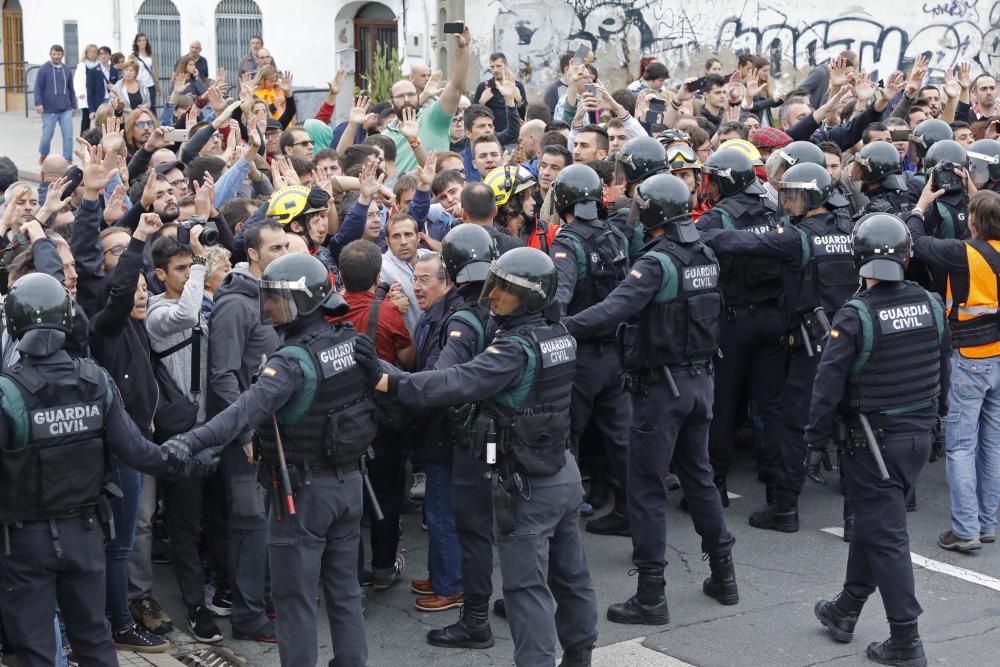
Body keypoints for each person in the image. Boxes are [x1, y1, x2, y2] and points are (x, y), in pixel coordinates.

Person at [358, 247, 598, 667]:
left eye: (505, 291)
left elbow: (455, 381)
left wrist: (387, 381)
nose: (493, 298)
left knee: (526, 590)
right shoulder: (559, 335)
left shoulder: (514, 350)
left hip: (525, 483)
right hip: (561, 469)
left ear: (530, 298)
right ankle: (580, 654)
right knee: (571, 575)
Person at [0, 272, 208, 667]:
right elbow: (139, 453)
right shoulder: (96, 381)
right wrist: (185, 458)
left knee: (36, 650)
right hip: (86, 536)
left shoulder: (7, 392)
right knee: (95, 640)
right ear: (68, 319)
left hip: (25, 542)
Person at [176, 254, 369, 667]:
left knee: (294, 598)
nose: (270, 310)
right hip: (350, 484)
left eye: (280, 301)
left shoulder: (290, 361)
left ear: (307, 301)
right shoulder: (350, 342)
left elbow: (239, 414)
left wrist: (188, 442)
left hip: (302, 497)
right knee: (344, 589)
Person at [563, 174, 738, 626]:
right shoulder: (705, 253)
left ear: (654, 212)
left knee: (645, 490)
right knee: (698, 477)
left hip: (662, 390)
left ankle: (651, 595)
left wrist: (559, 328)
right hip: (700, 382)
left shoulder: (657, 264)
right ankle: (724, 574)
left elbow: (612, 311)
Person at [809, 214, 949, 667]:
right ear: (908, 256)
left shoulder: (856, 314)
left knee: (887, 536)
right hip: (918, 437)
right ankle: (846, 607)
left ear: (859, 259)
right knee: (877, 523)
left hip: (873, 444)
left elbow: (827, 385)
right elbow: (940, 366)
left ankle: (906, 641)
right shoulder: (930, 303)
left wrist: (813, 441)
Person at [700, 162, 859, 533]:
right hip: (851, 336)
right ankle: (854, 516)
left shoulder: (797, 237)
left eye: (795, 196)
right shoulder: (850, 227)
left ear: (814, 197)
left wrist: (691, 233)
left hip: (812, 340)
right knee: (852, 420)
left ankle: (784, 507)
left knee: (794, 422)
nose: (787, 203)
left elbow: (737, 242)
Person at [206, 221, 288, 643]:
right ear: (252, 254)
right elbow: (223, 377)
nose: (282, 251)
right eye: (274, 246)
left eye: (286, 245)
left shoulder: (274, 293)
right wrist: (244, 433)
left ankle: (265, 601)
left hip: (271, 433)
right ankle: (248, 615)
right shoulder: (236, 304)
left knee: (266, 522)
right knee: (249, 524)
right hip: (245, 437)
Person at [905, 186, 1000, 551]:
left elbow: (914, 240)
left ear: (973, 222)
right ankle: (986, 523)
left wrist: (921, 204)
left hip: (971, 359)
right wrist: (981, 197)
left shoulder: (962, 253)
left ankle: (965, 529)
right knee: (991, 444)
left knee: (961, 446)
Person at [423, 224, 499, 649]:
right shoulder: (507, 304)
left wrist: (392, 385)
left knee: (473, 529)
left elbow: (441, 378)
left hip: (477, 438)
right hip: (514, 435)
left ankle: (474, 621)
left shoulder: (465, 316)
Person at [696, 148, 785, 507]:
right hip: (773, 318)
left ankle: (714, 486)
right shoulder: (773, 208)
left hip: (733, 321)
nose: (708, 186)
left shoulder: (716, 219)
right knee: (772, 405)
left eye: (712, 179)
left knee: (722, 404)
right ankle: (779, 491)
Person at [548, 164, 632, 536]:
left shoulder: (567, 241)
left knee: (565, 436)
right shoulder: (615, 234)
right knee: (622, 438)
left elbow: (558, 299)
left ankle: (561, 515)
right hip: (617, 352)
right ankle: (630, 512)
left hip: (580, 356)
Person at [35, 44, 77, 164]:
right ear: (50, 54)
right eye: (54, 54)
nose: (56, 56)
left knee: (68, 136)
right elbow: (38, 87)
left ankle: (67, 159)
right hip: (49, 110)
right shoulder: (44, 69)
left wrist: (74, 105)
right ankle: (43, 154)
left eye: (58, 54)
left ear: (62, 55)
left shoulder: (67, 69)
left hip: (66, 109)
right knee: (47, 136)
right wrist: (38, 103)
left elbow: (71, 88)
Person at [131, 33, 158, 111]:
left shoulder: (151, 55)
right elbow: (130, 69)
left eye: (144, 40)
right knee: (139, 107)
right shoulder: (133, 56)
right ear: (136, 43)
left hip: (150, 85)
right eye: (139, 41)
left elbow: (154, 71)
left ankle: (153, 123)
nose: (142, 42)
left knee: (151, 107)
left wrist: (158, 87)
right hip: (138, 85)